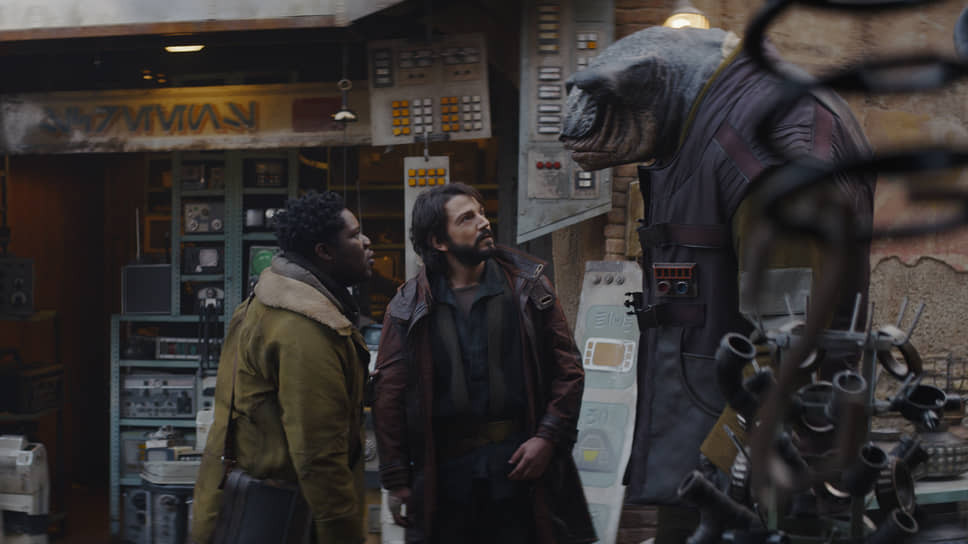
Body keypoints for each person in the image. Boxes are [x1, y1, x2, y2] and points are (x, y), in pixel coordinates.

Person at [558, 27, 874, 542]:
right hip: (710, 459)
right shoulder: (722, 124)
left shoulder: (768, 143)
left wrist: (720, 459)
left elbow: (793, 342)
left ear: (651, 86)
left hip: (750, 476)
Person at [372, 183, 596, 544]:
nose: (483, 222)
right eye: (467, 218)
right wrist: (396, 478)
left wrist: (547, 437)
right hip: (445, 478)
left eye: (482, 213)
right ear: (439, 241)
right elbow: (389, 395)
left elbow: (568, 370)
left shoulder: (528, 287)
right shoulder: (408, 305)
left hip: (519, 469)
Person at [191, 191, 374, 543]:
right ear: (324, 251)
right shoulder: (304, 328)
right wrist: (345, 534)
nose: (367, 242)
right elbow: (318, 456)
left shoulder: (264, 301)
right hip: (291, 518)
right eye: (354, 235)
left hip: (251, 507)